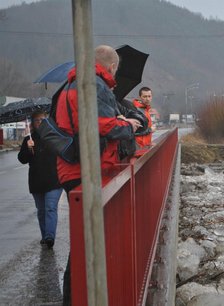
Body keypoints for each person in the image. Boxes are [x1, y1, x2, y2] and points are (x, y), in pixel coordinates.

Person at [56, 45, 140, 305]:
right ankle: (79, 297)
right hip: (85, 170)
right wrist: (128, 125)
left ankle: (80, 295)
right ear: (112, 66)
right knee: (87, 240)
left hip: (74, 168)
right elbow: (102, 127)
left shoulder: (75, 84)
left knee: (86, 237)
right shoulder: (94, 85)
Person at [18, 110, 63, 249]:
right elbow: (22, 159)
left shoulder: (54, 136)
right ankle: (45, 236)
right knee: (41, 210)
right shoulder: (29, 139)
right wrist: (28, 149)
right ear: (33, 123)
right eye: (37, 120)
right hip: (36, 181)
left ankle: (50, 237)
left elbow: (63, 152)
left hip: (54, 180)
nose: (40, 122)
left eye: (43, 119)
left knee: (50, 208)